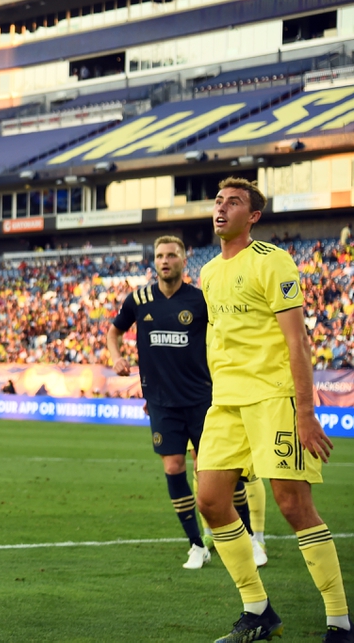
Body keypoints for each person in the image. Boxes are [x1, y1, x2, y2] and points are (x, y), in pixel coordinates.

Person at [197, 177, 350, 643]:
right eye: (219, 201)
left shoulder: (273, 261)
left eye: (234, 202)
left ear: (254, 216)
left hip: (272, 397)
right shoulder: (206, 272)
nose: (222, 208)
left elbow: (297, 341)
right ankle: (258, 611)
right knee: (211, 502)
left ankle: (341, 623)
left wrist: (305, 410)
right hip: (225, 401)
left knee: (293, 504)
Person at [108, 236, 241, 571]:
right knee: (173, 467)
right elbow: (114, 332)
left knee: (214, 471)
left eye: (171, 255)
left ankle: (250, 537)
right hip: (161, 402)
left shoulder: (200, 300)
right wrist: (116, 357)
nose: (165, 260)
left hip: (203, 400)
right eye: (159, 255)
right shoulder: (139, 299)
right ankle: (197, 545)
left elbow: (224, 336)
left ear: (184, 259)